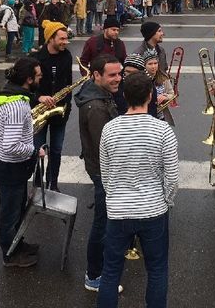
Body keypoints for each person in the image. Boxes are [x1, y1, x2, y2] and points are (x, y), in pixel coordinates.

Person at [97, 72, 178, 308]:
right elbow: (172, 177)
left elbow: (106, 173)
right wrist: (165, 201)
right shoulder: (163, 131)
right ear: (151, 96)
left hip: (118, 211)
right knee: (157, 269)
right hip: (153, 210)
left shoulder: (109, 129)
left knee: (111, 271)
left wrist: (114, 198)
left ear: (124, 95)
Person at [0, 57, 44, 267]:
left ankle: (18, 244)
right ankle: (10, 255)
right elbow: (11, 146)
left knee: (18, 209)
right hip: (9, 166)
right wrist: (33, 150)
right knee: (10, 214)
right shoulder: (16, 106)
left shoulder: (14, 94)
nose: (41, 78)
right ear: (28, 79)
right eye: (38, 76)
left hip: (10, 164)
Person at [74, 54, 123, 293]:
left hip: (101, 170)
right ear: (96, 75)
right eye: (112, 75)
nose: (118, 79)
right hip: (104, 174)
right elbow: (106, 147)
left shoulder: (98, 94)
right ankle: (94, 276)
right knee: (102, 224)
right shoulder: (95, 107)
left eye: (119, 73)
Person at [30, 20, 73, 192]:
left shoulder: (67, 56)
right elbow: (26, 86)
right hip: (38, 111)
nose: (65, 42)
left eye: (66, 39)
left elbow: (67, 83)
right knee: (38, 150)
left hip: (58, 111)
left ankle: (53, 183)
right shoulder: (35, 59)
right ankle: (38, 185)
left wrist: (66, 104)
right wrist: (39, 97)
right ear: (50, 39)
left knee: (56, 150)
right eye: (62, 39)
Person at [144, 49, 175, 125]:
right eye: (150, 64)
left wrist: (165, 97)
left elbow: (171, 94)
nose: (153, 66)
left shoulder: (163, 78)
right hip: (146, 117)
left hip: (160, 117)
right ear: (144, 65)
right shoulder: (141, 79)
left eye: (155, 63)